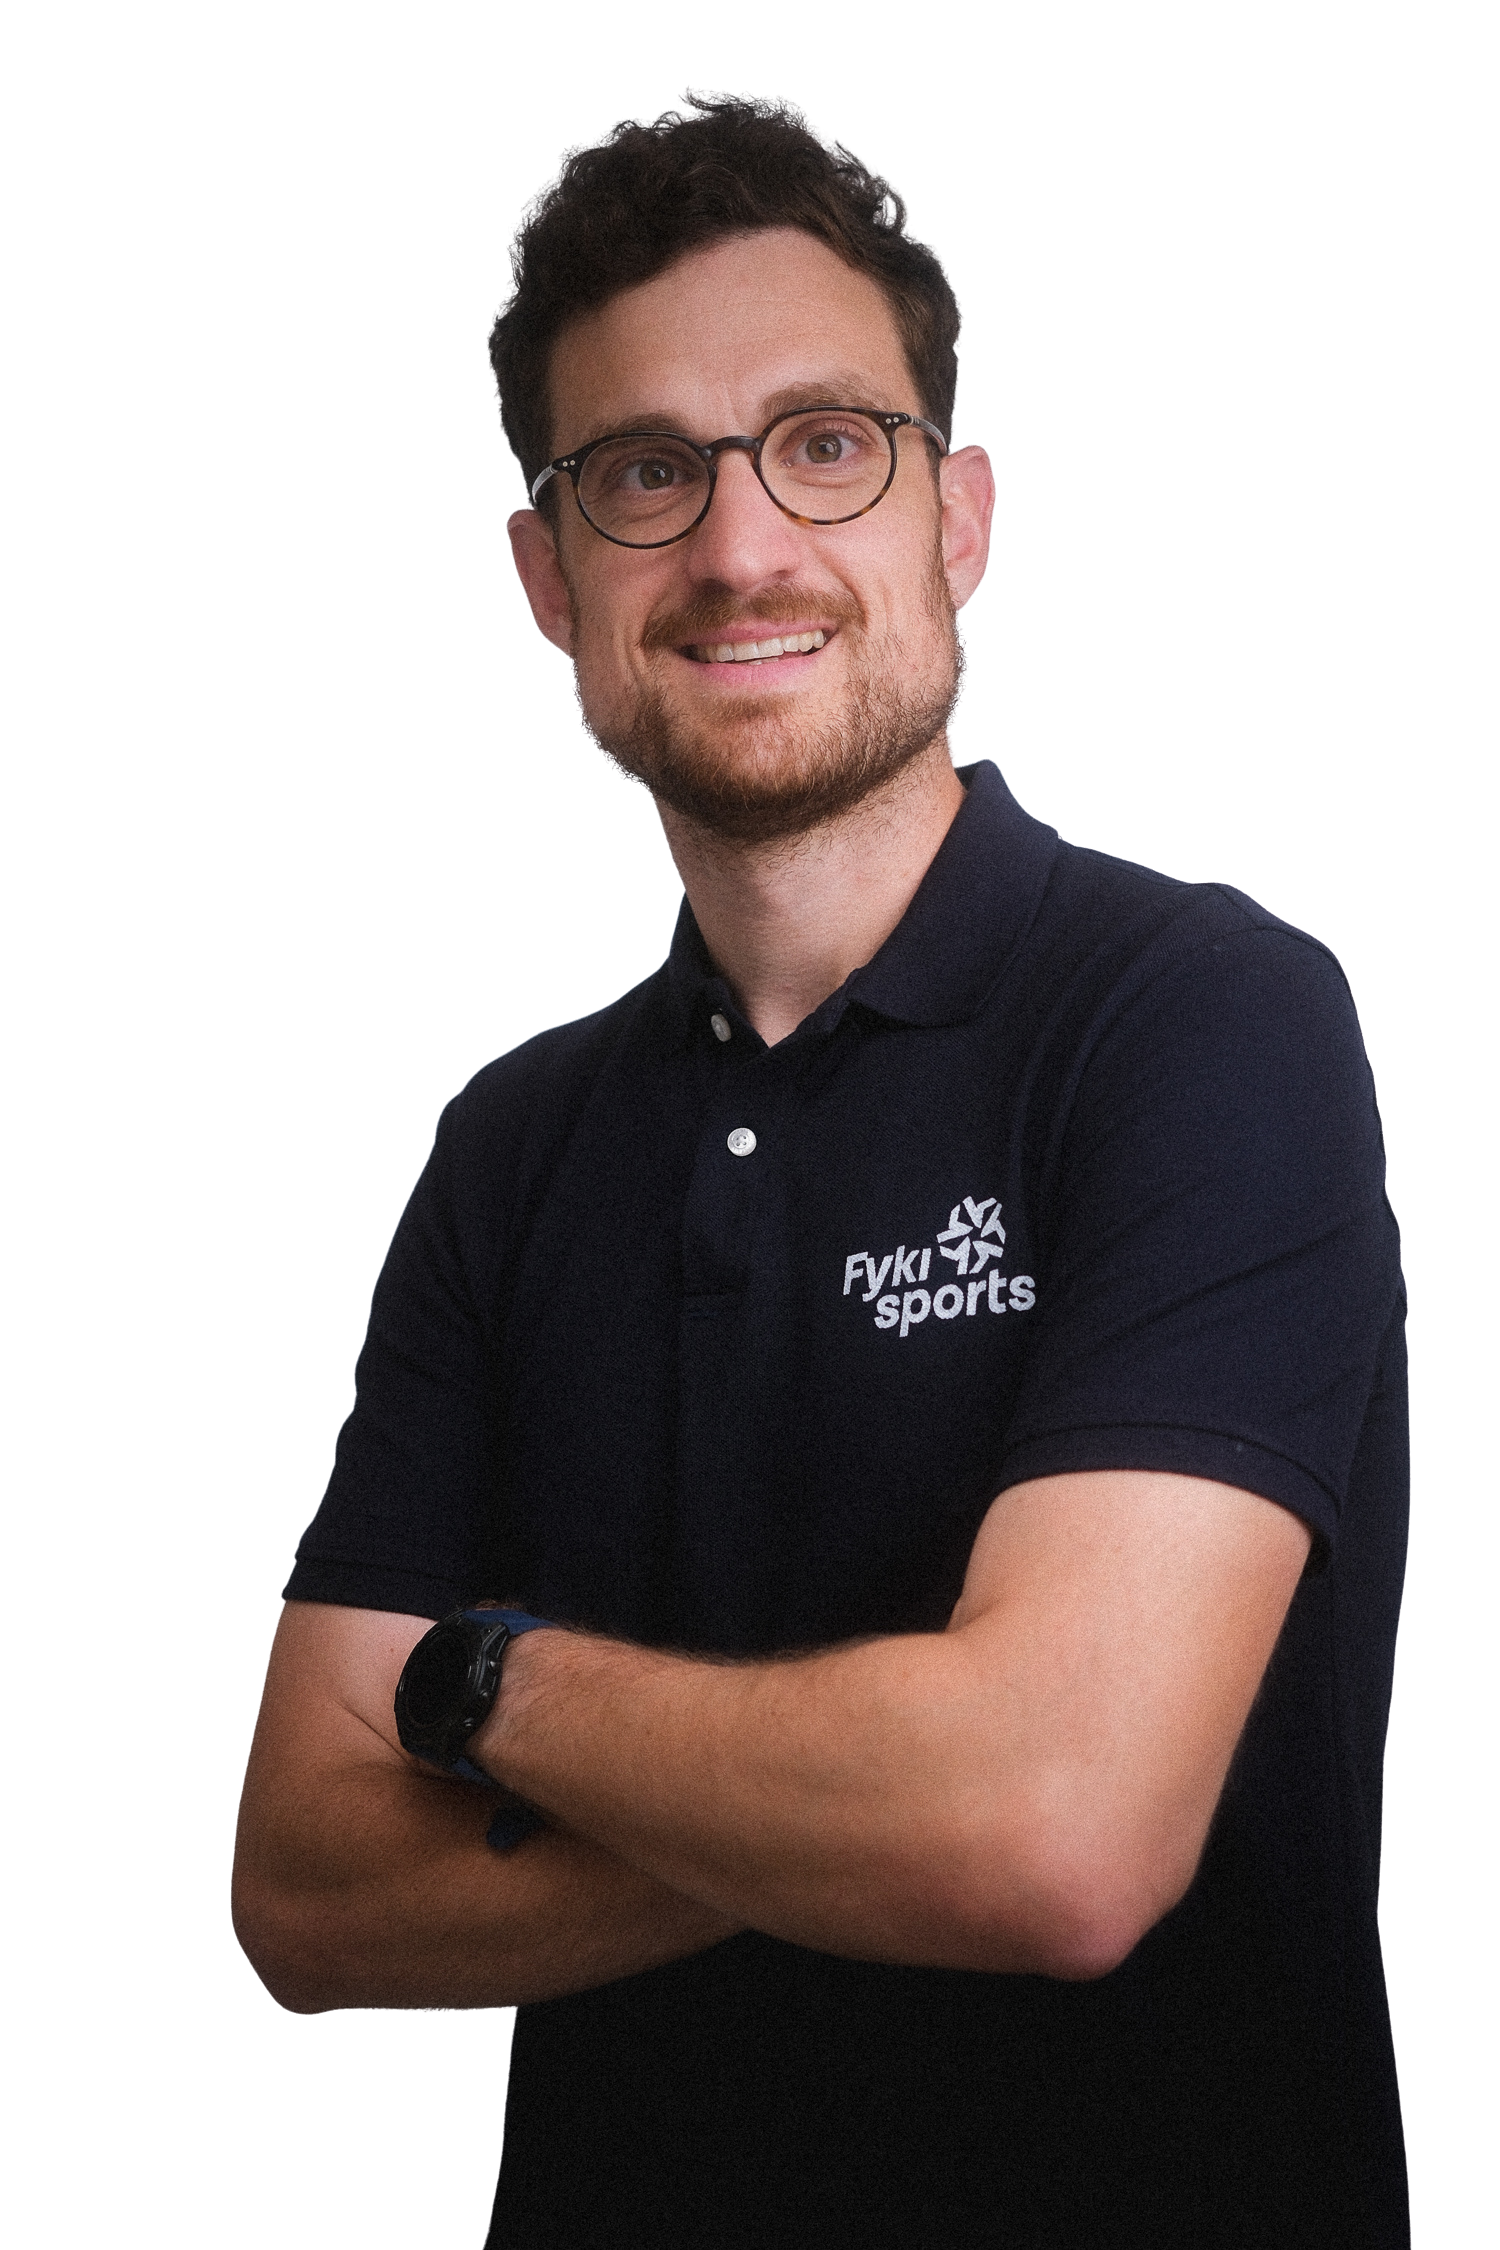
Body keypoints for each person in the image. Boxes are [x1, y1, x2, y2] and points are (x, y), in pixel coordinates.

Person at [232, 97, 1409, 2249]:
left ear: (957, 514)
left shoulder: (1199, 1021)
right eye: (643, 472)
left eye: (826, 445)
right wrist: (888, 1787)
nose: (741, 546)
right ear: (551, 577)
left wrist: (483, 1687)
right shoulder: (515, 1150)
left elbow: (1052, 1835)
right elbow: (306, 1883)